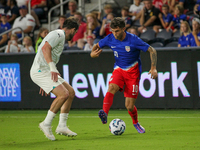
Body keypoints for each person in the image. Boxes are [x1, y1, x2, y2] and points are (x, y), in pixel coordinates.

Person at [90, 17, 158, 134]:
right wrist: (92, 54)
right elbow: (96, 46)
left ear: (123, 29)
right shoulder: (110, 38)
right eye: (112, 31)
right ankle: (105, 113)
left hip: (133, 73)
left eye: (117, 31)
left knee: (129, 106)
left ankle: (135, 123)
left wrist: (153, 68)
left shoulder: (133, 40)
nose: (114, 34)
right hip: (119, 69)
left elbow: (152, 50)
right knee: (111, 87)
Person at [30, 17, 79, 141]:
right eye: (75, 32)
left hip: (46, 71)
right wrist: (52, 68)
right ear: (73, 29)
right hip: (41, 70)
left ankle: (62, 125)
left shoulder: (60, 36)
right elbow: (45, 48)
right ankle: (46, 124)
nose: (74, 35)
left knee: (71, 92)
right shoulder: (58, 33)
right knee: (63, 94)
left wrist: (46, 80)